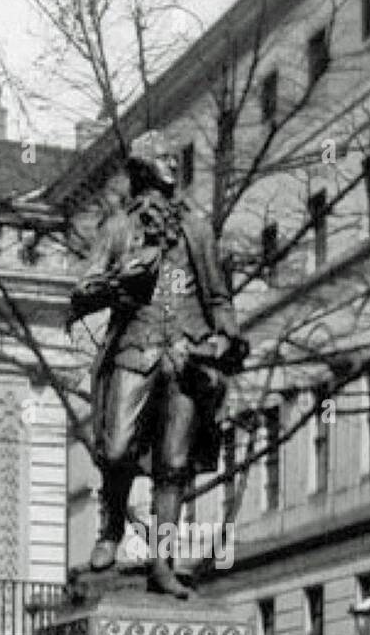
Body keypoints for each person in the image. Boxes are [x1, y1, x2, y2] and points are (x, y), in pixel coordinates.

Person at [66, 129, 247, 598]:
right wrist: (118, 284)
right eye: (162, 157)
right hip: (135, 349)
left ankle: (162, 562)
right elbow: (82, 290)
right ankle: (110, 532)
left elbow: (218, 297)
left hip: (186, 358)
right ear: (144, 167)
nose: (172, 162)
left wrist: (228, 337)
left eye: (173, 155)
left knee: (174, 464)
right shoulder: (119, 228)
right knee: (119, 448)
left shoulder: (198, 229)